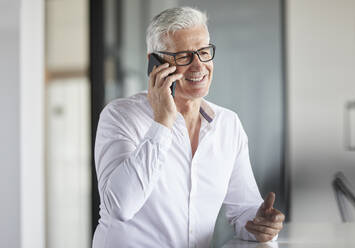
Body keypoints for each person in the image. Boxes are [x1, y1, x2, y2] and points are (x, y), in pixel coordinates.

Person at [92, 6, 285, 248]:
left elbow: (243, 212)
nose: (198, 66)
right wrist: (162, 122)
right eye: (184, 56)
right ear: (154, 63)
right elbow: (120, 206)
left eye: (204, 52)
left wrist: (261, 224)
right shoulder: (120, 116)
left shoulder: (228, 125)